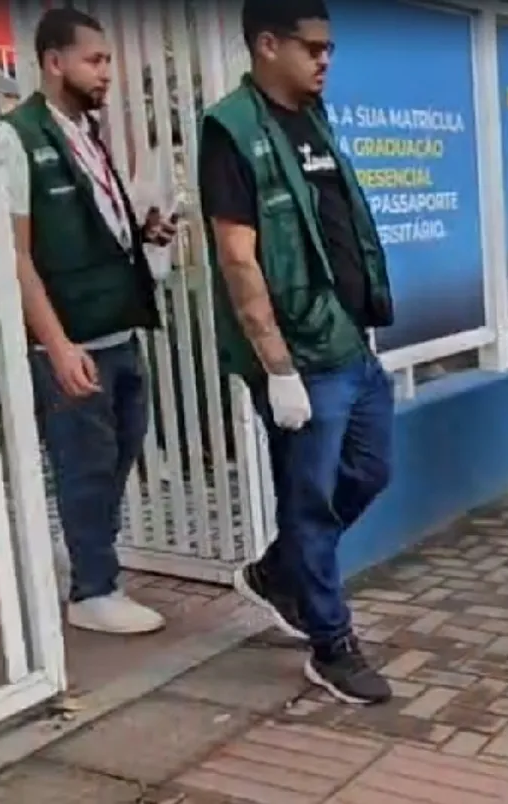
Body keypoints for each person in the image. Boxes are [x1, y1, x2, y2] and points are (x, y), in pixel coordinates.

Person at [199, 0, 396, 705]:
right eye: (312, 47)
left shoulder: (314, 118)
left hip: (351, 342)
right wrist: (278, 368)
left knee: (372, 471)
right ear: (267, 44)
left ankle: (282, 571)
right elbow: (237, 256)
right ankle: (331, 644)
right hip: (302, 356)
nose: (325, 59)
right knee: (310, 500)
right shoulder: (231, 130)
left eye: (330, 48)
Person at [0, 7, 177, 635]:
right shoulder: (15, 137)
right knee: (86, 463)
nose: (106, 74)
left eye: (108, 61)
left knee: (120, 453)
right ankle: (93, 590)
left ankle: (88, 558)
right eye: (94, 61)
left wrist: (145, 233)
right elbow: (14, 254)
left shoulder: (86, 133)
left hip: (119, 329)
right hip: (71, 341)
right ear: (53, 61)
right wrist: (57, 344)